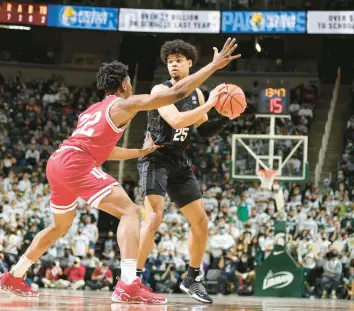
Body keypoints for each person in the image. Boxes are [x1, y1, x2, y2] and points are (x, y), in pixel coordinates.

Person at [0, 38, 240, 304]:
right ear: (126, 84)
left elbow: (106, 151)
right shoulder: (124, 104)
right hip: (77, 163)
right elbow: (175, 95)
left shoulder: (92, 111)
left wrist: (140, 152)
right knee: (130, 212)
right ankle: (128, 283)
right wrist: (214, 66)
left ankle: (14, 275)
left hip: (58, 161)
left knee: (59, 227)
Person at [137, 39, 241, 304]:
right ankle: (132, 279)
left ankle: (193, 279)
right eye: (170, 60)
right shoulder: (160, 90)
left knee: (201, 222)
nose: (173, 63)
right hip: (155, 158)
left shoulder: (198, 93)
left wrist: (226, 117)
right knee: (154, 218)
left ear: (189, 63)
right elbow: (178, 120)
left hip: (178, 161)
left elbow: (203, 130)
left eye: (179, 60)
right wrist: (211, 104)